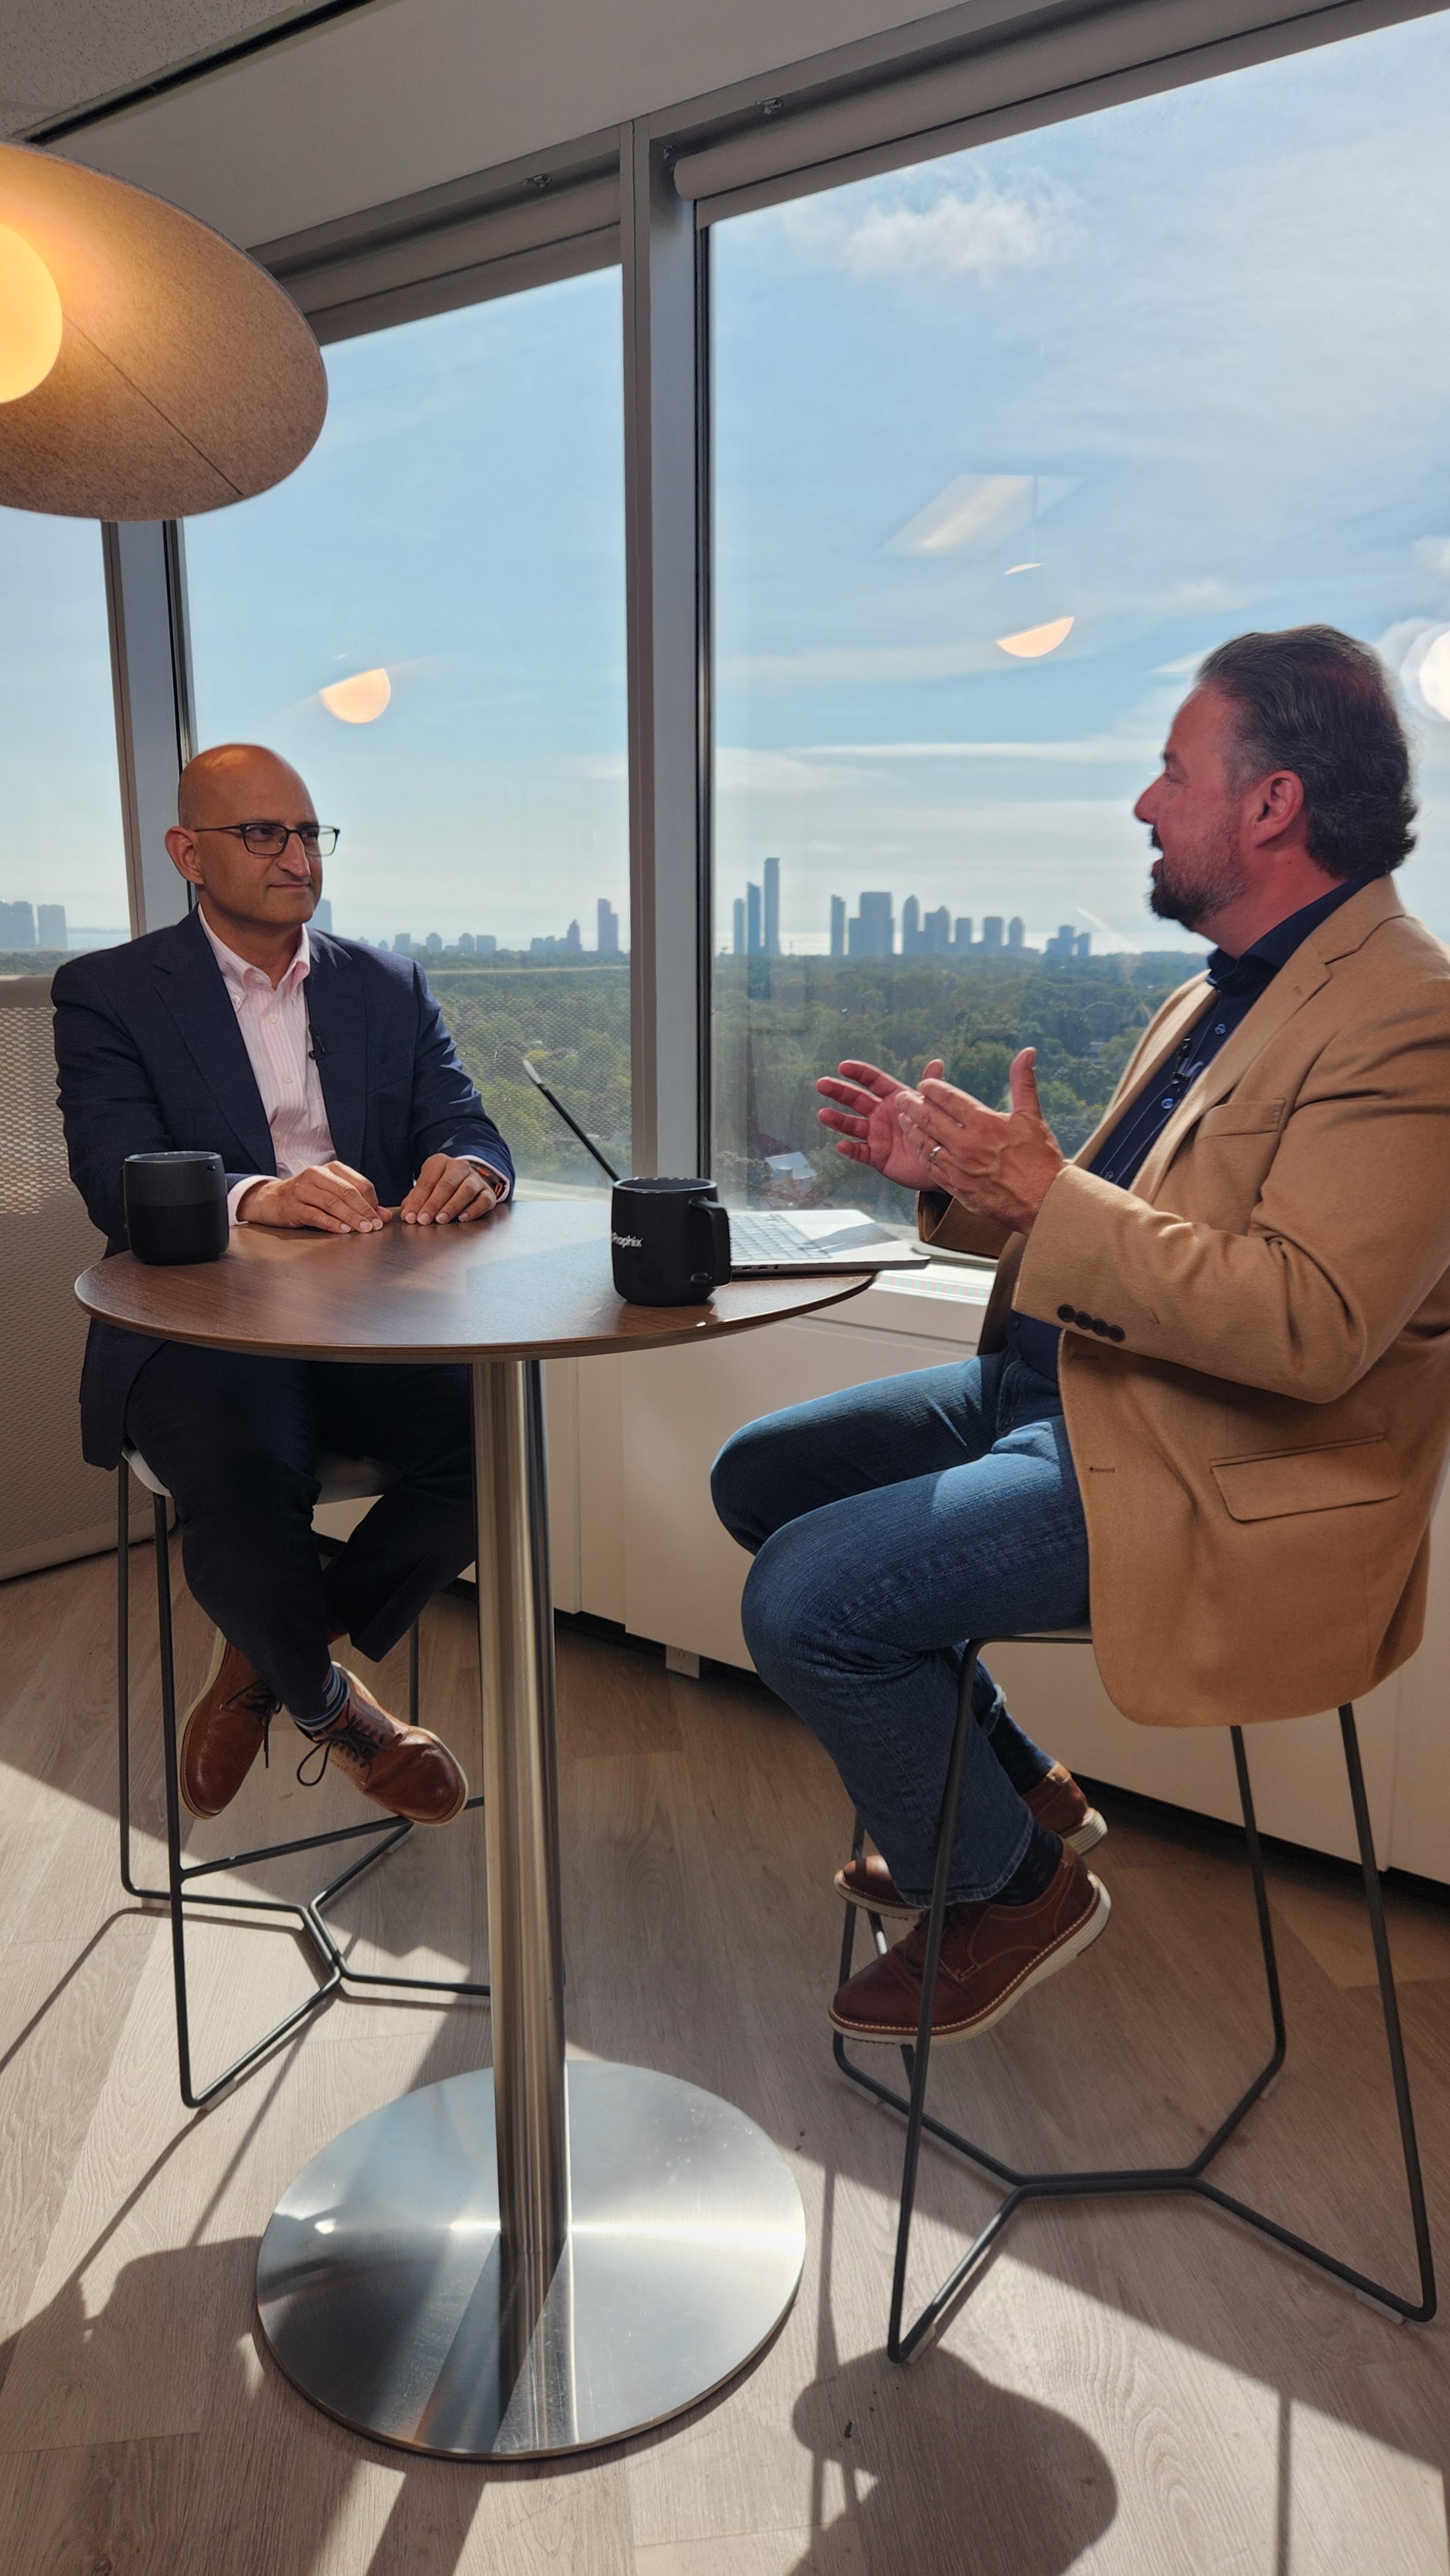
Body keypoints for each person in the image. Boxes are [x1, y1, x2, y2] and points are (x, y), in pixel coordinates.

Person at [712, 627, 1450, 2050]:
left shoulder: (1414, 1017)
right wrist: (960, 1183)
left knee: (806, 1600)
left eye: (1174, 771)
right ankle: (1016, 1789)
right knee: (759, 1477)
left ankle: (1008, 1889)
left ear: (1274, 803)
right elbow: (1114, 1228)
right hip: (1066, 1392)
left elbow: (1309, 1327)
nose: (1143, 803)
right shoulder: (1217, 989)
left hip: (1207, 1456)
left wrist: (1044, 1196)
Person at [54, 741, 515, 1830]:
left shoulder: (388, 984)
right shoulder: (108, 993)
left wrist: (473, 1166)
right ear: (189, 854)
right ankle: (337, 1714)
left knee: (497, 1448)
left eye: (309, 833)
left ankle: (264, 1660)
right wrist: (260, 1195)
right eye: (264, 834)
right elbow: (112, 1174)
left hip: (368, 1320)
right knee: (246, 1470)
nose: (298, 857)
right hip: (199, 1326)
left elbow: (465, 1119)